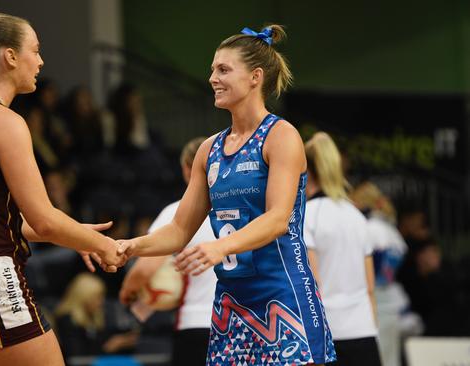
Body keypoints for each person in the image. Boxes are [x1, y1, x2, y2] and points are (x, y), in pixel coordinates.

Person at [118, 25, 336, 365]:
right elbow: (178, 230)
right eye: (212, 70)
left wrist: (219, 247)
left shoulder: (281, 136)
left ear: (255, 77)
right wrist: (129, 246)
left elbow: (278, 219)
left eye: (223, 69)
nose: (212, 79)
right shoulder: (209, 150)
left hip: (284, 296)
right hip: (231, 307)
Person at [0, 13, 126, 366]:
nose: (41, 61)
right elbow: (43, 220)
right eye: (36, 49)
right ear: (10, 56)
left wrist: (76, 235)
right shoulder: (3, 121)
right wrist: (102, 244)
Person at [119, 136, 217, 366]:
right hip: (240, 323)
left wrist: (128, 292)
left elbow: (145, 269)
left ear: (186, 169)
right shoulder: (241, 210)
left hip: (196, 323)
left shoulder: (176, 212)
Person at [303, 132, 381, 366]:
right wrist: (372, 326)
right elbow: (369, 288)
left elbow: (310, 286)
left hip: (327, 336)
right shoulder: (356, 216)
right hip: (364, 332)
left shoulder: (307, 216)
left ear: (306, 172)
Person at [350, 181, 409, 366]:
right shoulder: (391, 230)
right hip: (390, 300)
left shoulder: (371, 228)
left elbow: (370, 268)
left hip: (376, 299)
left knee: (379, 356)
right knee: (390, 357)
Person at [54, 273, 137, 361]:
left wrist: (122, 340)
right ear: (84, 297)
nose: (101, 302)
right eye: (97, 297)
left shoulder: (94, 317)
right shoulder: (67, 320)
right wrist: (110, 346)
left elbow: (104, 337)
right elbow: (77, 355)